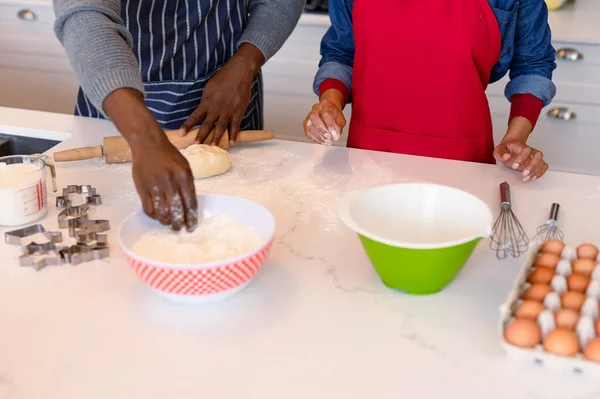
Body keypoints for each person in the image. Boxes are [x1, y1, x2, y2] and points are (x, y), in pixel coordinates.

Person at [53, 0, 304, 231]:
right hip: (118, 98)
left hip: (228, 88)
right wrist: (145, 139)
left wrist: (246, 62)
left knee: (232, 225)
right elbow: (85, 18)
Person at [303, 0, 556, 182]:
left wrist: (516, 138)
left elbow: (532, 63)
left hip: (463, 161)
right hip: (368, 157)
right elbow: (342, 52)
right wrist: (330, 102)